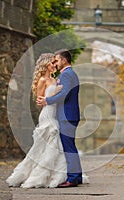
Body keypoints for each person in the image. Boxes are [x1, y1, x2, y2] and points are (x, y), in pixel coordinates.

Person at [6, 53, 67, 188]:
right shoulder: (42, 80)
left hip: (55, 113)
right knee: (46, 143)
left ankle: (56, 174)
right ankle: (37, 176)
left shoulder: (54, 78)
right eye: (52, 63)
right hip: (47, 114)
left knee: (55, 144)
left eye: (54, 63)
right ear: (45, 64)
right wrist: (53, 95)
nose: (54, 65)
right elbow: (40, 101)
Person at [37, 49, 84, 187]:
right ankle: (77, 175)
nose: (55, 63)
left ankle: (73, 178)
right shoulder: (67, 74)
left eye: (57, 60)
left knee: (68, 147)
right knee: (70, 146)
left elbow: (64, 94)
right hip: (68, 115)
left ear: (64, 60)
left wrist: (47, 101)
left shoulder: (67, 74)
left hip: (67, 116)